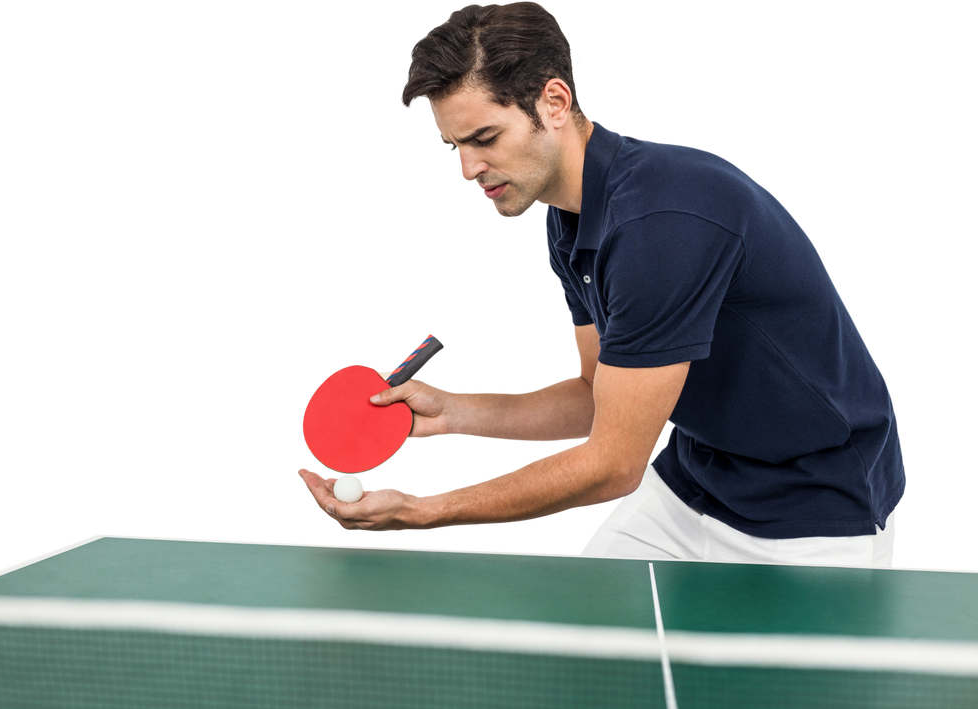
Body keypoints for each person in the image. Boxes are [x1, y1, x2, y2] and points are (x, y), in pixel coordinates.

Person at [295, 0, 905, 567]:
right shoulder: (567, 218)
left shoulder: (661, 226)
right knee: (579, 668)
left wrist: (423, 511)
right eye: (453, 145)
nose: (466, 169)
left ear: (554, 103)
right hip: (698, 481)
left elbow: (613, 465)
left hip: (817, 509)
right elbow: (595, 394)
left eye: (484, 139)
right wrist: (454, 411)